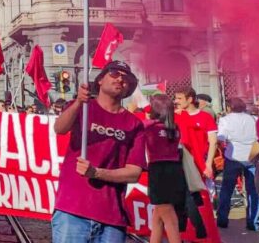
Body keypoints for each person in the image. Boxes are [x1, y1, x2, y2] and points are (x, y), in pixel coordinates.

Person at [51, 60, 145, 243]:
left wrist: (97, 173)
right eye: (115, 74)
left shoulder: (134, 124)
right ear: (100, 80)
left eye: (126, 78)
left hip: (111, 218)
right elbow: (60, 128)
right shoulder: (82, 107)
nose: (120, 79)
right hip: (73, 211)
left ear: (129, 88)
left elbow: (134, 173)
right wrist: (79, 102)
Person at [145, 94, 185, 243]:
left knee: (169, 218)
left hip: (158, 170)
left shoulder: (149, 126)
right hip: (175, 170)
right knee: (158, 217)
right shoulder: (175, 128)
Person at [216, 97, 259, 231]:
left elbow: (221, 137)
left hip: (233, 157)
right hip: (251, 157)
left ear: (229, 107)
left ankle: (223, 219)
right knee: (253, 190)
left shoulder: (225, 120)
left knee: (227, 189)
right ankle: (253, 222)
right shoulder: (254, 119)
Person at [174, 89, 217, 188]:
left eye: (179, 98)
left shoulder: (206, 117)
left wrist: (209, 164)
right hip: (181, 164)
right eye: (175, 98)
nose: (176, 101)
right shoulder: (175, 116)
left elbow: (213, 142)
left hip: (201, 163)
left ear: (189, 99)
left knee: (204, 195)